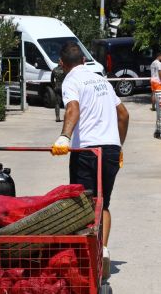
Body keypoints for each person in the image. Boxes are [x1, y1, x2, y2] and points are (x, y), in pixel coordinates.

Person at [51, 42, 129, 279]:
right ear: (84, 61)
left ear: (63, 64)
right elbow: (124, 114)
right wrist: (119, 146)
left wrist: (65, 137)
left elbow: (73, 108)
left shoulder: (71, 80)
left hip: (87, 152)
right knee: (102, 202)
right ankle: (102, 249)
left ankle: (85, 257)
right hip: (111, 151)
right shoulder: (101, 80)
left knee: (83, 205)